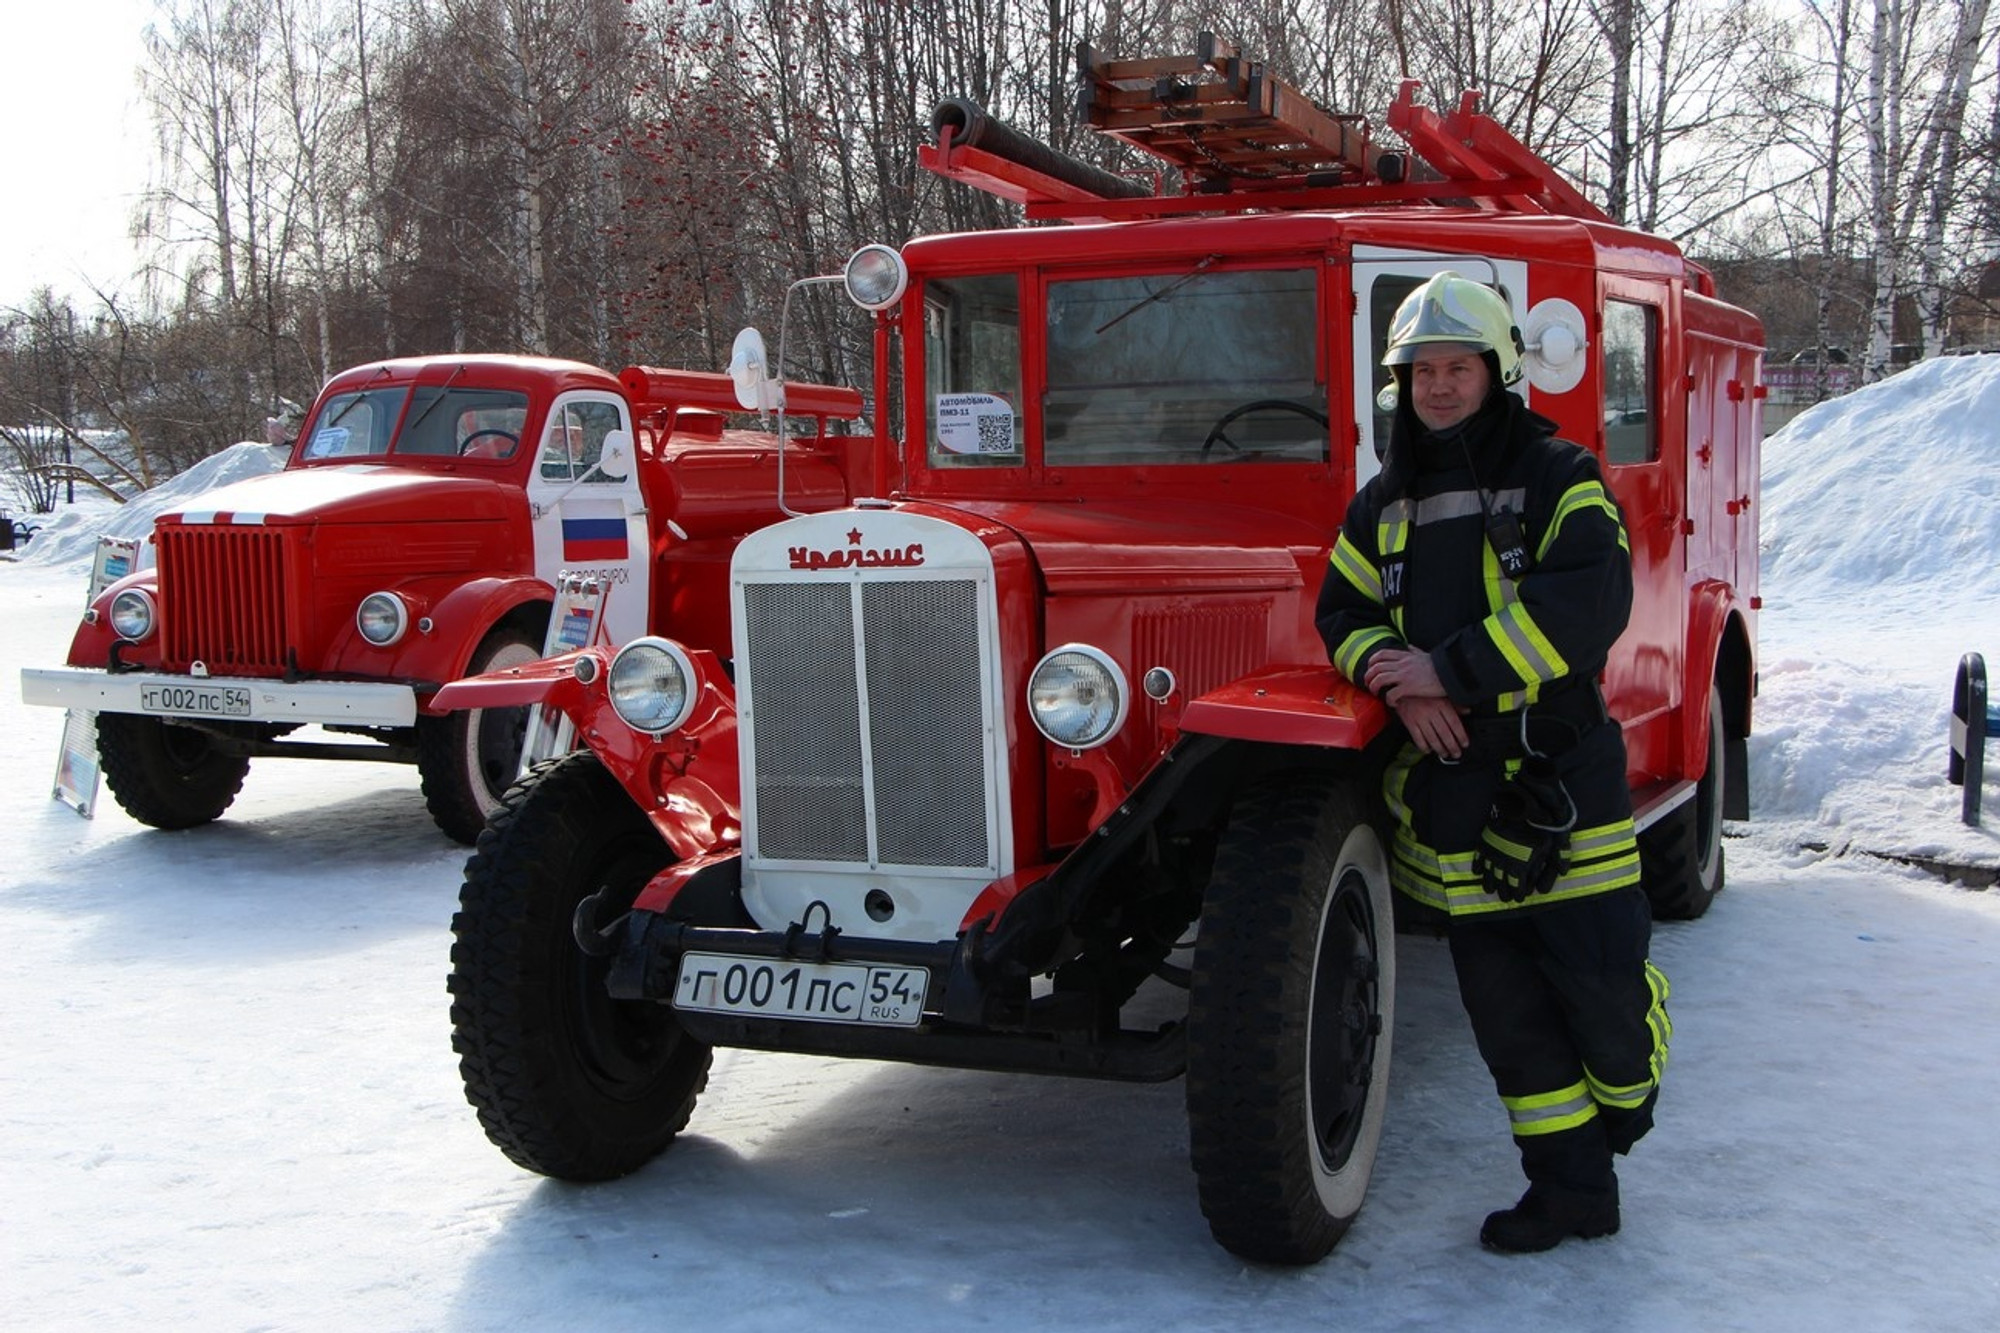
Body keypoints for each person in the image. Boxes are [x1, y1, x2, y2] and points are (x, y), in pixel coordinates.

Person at [1316, 273, 1672, 1253]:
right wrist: (1401, 681)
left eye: (1455, 367)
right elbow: (1339, 615)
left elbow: (1587, 601)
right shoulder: (1379, 505)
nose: (1436, 387)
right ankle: (1569, 1190)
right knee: (1507, 1017)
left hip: (1560, 776)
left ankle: (1625, 1106)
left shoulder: (1560, 473)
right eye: (1420, 370)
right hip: (1453, 789)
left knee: (1598, 990)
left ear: (1495, 370)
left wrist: (1450, 669)